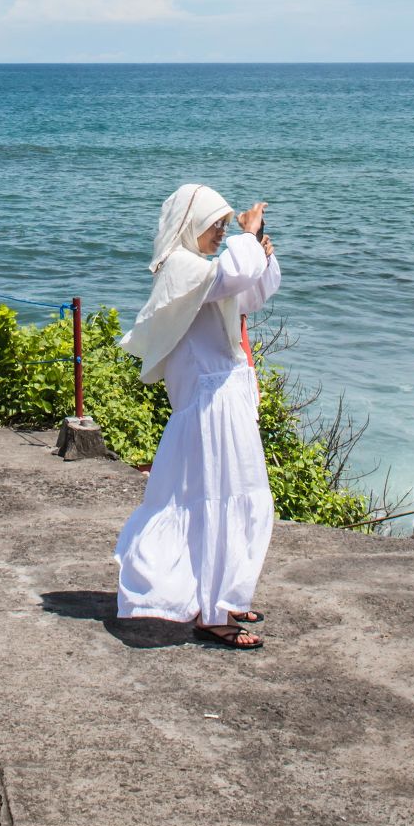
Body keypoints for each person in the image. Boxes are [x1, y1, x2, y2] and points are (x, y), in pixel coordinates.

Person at [113, 184, 279, 649]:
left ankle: (226, 596)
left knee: (239, 494)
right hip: (209, 403)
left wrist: (260, 251)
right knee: (218, 499)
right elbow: (234, 273)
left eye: (225, 226)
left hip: (224, 396)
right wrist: (248, 237)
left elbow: (249, 293)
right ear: (189, 225)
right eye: (215, 226)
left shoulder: (202, 271)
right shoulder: (180, 267)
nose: (221, 233)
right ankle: (214, 612)